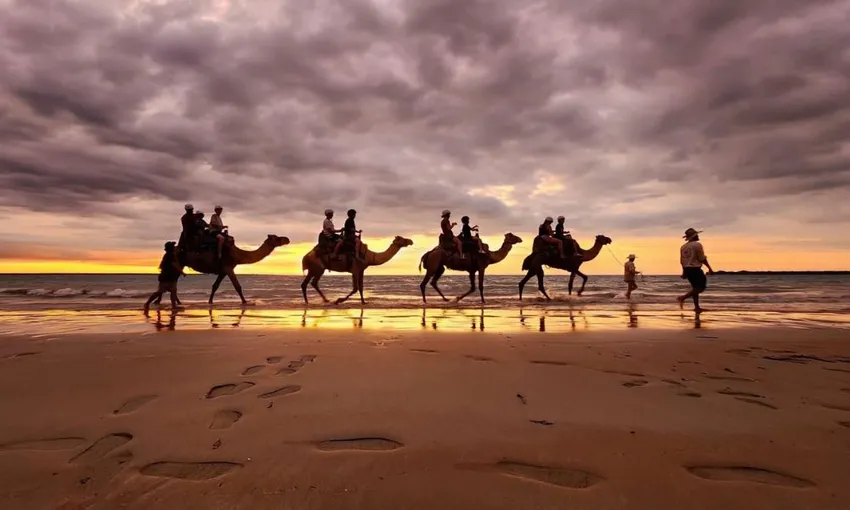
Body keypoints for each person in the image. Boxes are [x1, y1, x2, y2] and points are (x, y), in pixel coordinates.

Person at [677, 227, 714, 313]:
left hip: (687, 269)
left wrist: (684, 272)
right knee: (701, 287)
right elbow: (702, 258)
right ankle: (682, 297)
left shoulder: (683, 247)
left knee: (695, 288)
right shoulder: (697, 245)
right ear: (694, 236)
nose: (697, 236)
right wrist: (710, 268)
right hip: (695, 269)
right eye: (696, 235)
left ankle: (697, 307)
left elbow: (682, 261)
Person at [144, 242, 185, 312]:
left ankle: (174, 306)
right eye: (173, 246)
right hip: (167, 276)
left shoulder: (170, 255)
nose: (175, 247)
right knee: (160, 291)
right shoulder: (170, 255)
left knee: (173, 291)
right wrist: (182, 272)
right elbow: (174, 264)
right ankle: (147, 303)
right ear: (171, 248)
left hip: (170, 276)